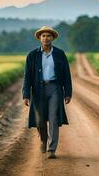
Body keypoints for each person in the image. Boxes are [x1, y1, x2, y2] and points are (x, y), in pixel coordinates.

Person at [22, 26, 72, 159]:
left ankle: (52, 149)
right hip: (38, 90)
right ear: (39, 38)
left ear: (53, 38)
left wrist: (68, 92)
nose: (46, 38)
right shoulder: (32, 55)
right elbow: (27, 76)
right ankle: (44, 140)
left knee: (53, 118)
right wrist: (26, 94)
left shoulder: (60, 54)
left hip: (55, 88)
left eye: (48, 36)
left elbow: (67, 74)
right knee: (40, 120)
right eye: (43, 36)